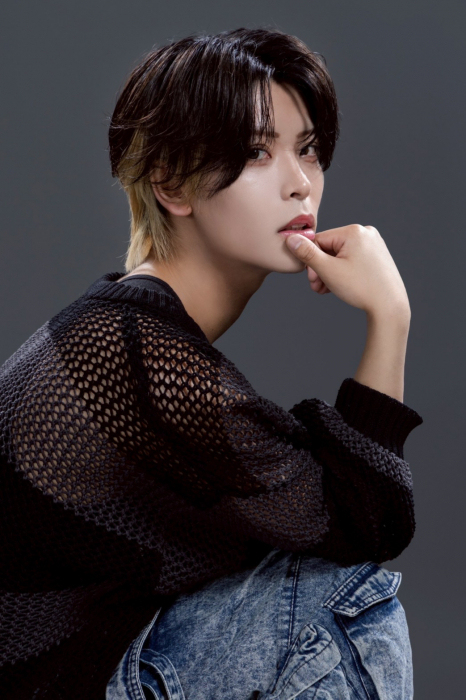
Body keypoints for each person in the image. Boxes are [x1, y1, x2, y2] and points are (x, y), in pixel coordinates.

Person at [0, 27, 423, 700]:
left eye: (308, 149)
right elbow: (366, 520)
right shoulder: (138, 358)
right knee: (343, 600)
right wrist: (390, 317)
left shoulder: (128, 327)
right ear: (172, 182)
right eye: (257, 152)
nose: (300, 184)